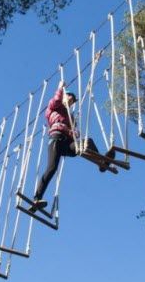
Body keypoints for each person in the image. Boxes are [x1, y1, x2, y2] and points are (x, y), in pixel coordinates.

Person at [30, 80, 114, 210]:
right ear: (64, 96)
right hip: (56, 140)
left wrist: (74, 131)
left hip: (67, 144)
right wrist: (60, 88)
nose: (72, 100)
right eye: (70, 97)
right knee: (51, 168)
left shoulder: (71, 117)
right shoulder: (53, 107)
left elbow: (74, 132)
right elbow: (56, 101)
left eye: (73, 100)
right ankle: (36, 199)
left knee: (87, 142)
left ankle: (101, 163)